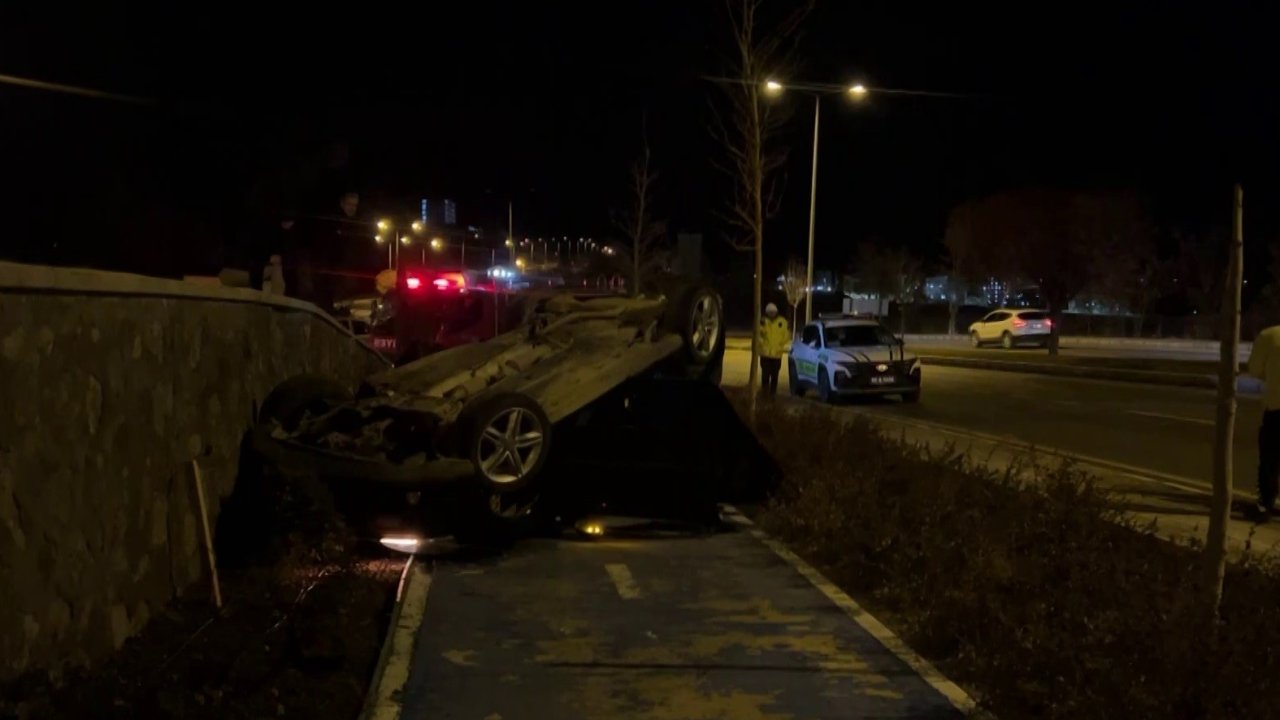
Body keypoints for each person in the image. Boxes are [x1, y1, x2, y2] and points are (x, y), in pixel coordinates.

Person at [1249, 324, 1280, 521]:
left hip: (1277, 406)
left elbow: (1255, 370)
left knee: (1270, 457)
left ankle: (1266, 504)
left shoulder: (1269, 335)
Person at [757, 302, 790, 397]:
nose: (772, 314)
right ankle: (765, 394)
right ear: (767, 312)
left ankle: (772, 395)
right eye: (770, 312)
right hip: (765, 354)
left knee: (775, 376)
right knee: (765, 375)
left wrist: (780, 344)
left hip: (776, 354)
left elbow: (786, 335)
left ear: (776, 312)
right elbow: (758, 335)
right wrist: (763, 344)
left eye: (773, 312)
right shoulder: (763, 321)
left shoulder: (782, 322)